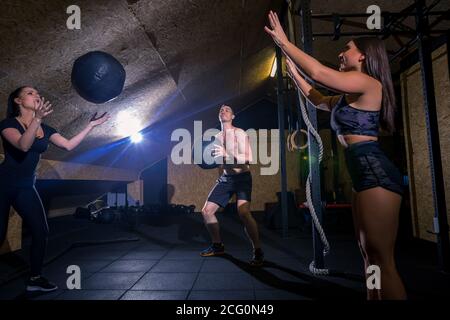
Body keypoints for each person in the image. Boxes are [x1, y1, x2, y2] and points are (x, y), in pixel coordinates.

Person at [265, 11, 406, 299]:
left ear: (363, 57)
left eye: (347, 49)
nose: (342, 53)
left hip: (375, 172)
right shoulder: (347, 96)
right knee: (368, 257)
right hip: (361, 174)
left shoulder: (369, 84)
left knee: (383, 260)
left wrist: (283, 42)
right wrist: (294, 72)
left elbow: (318, 73)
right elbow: (317, 99)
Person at [0, 86, 109, 292]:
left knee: (41, 231)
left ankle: (35, 278)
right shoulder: (8, 124)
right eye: (31, 93)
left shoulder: (46, 128)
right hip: (3, 184)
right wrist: (37, 119)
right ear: (17, 101)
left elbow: (68, 145)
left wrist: (91, 126)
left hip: (26, 186)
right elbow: (23, 145)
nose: (37, 95)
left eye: (38, 93)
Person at [200, 104, 264, 266]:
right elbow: (218, 161)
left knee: (243, 212)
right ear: (218, 117)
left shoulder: (239, 133)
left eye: (227, 110)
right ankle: (217, 246)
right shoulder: (217, 137)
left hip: (242, 177)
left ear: (233, 116)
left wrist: (226, 154)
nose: (223, 111)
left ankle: (257, 250)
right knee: (207, 211)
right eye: (221, 110)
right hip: (226, 178)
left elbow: (248, 158)